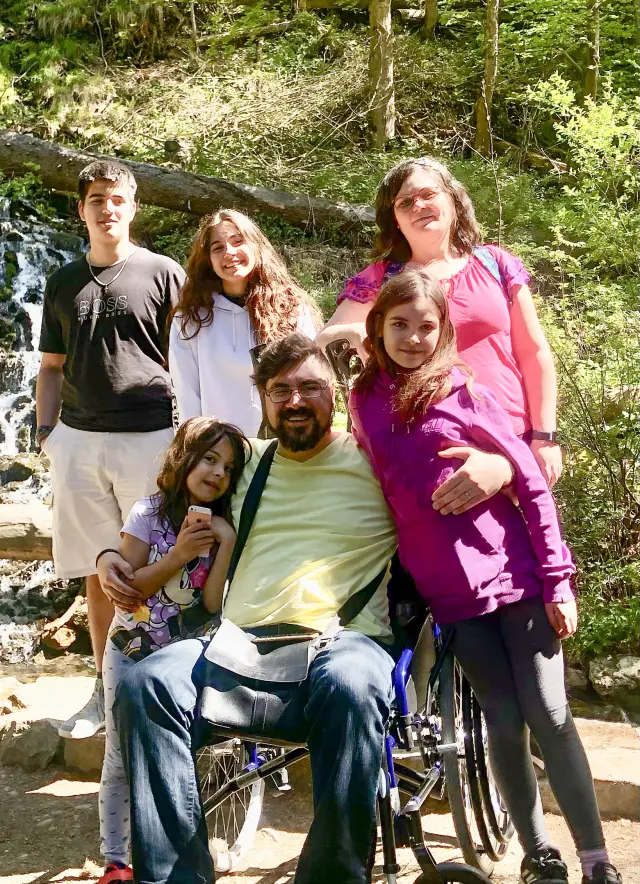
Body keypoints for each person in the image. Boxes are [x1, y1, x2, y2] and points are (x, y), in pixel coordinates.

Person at [96, 333, 514, 884]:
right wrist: (109, 555)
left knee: (354, 683)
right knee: (145, 685)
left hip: (340, 642)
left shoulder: (377, 458)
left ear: (335, 393)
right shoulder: (244, 462)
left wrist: (500, 466)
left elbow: (459, 463)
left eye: (311, 387)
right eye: (280, 390)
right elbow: (169, 498)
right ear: (264, 399)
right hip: (235, 644)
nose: (295, 401)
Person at [348, 269, 622, 884]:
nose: (413, 338)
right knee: (501, 719)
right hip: (449, 596)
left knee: (548, 711)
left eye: (426, 326)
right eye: (399, 325)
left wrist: (558, 579)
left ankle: (596, 859)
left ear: (443, 330)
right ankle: (539, 854)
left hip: (515, 577)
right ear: (378, 327)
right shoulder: (363, 401)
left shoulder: (461, 389)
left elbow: (531, 482)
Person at [36, 160, 185, 740]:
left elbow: (186, 356)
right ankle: (105, 689)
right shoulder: (63, 281)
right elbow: (51, 367)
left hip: (151, 437)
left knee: (152, 564)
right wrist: (47, 433)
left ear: (133, 206)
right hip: (77, 440)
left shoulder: (163, 273)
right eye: (97, 199)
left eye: (117, 198)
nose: (107, 208)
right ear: (82, 210)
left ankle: (158, 686)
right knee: (97, 571)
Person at [318, 156, 563, 487]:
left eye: (427, 194)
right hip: (423, 448)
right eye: (405, 203)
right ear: (395, 221)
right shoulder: (381, 278)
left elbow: (534, 353)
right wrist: (364, 337)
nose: (418, 206)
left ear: (452, 199)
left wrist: (545, 436)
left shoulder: (495, 263)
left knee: (529, 521)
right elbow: (325, 340)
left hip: (511, 440)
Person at [97, 417, 249, 884]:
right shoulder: (147, 514)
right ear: (184, 459)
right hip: (129, 651)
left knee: (177, 753)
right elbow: (129, 592)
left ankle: (177, 849)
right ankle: (116, 860)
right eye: (209, 459)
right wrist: (179, 554)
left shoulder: (220, 527)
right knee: (119, 756)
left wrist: (225, 543)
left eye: (228, 468)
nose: (217, 473)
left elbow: (211, 604)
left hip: (180, 661)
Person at [169, 209, 320, 436]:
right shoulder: (191, 319)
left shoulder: (290, 309)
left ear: (255, 246)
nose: (229, 252)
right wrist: (195, 444)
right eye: (218, 247)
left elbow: (311, 378)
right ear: (208, 260)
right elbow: (185, 394)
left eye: (238, 241)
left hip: (285, 443)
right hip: (219, 446)